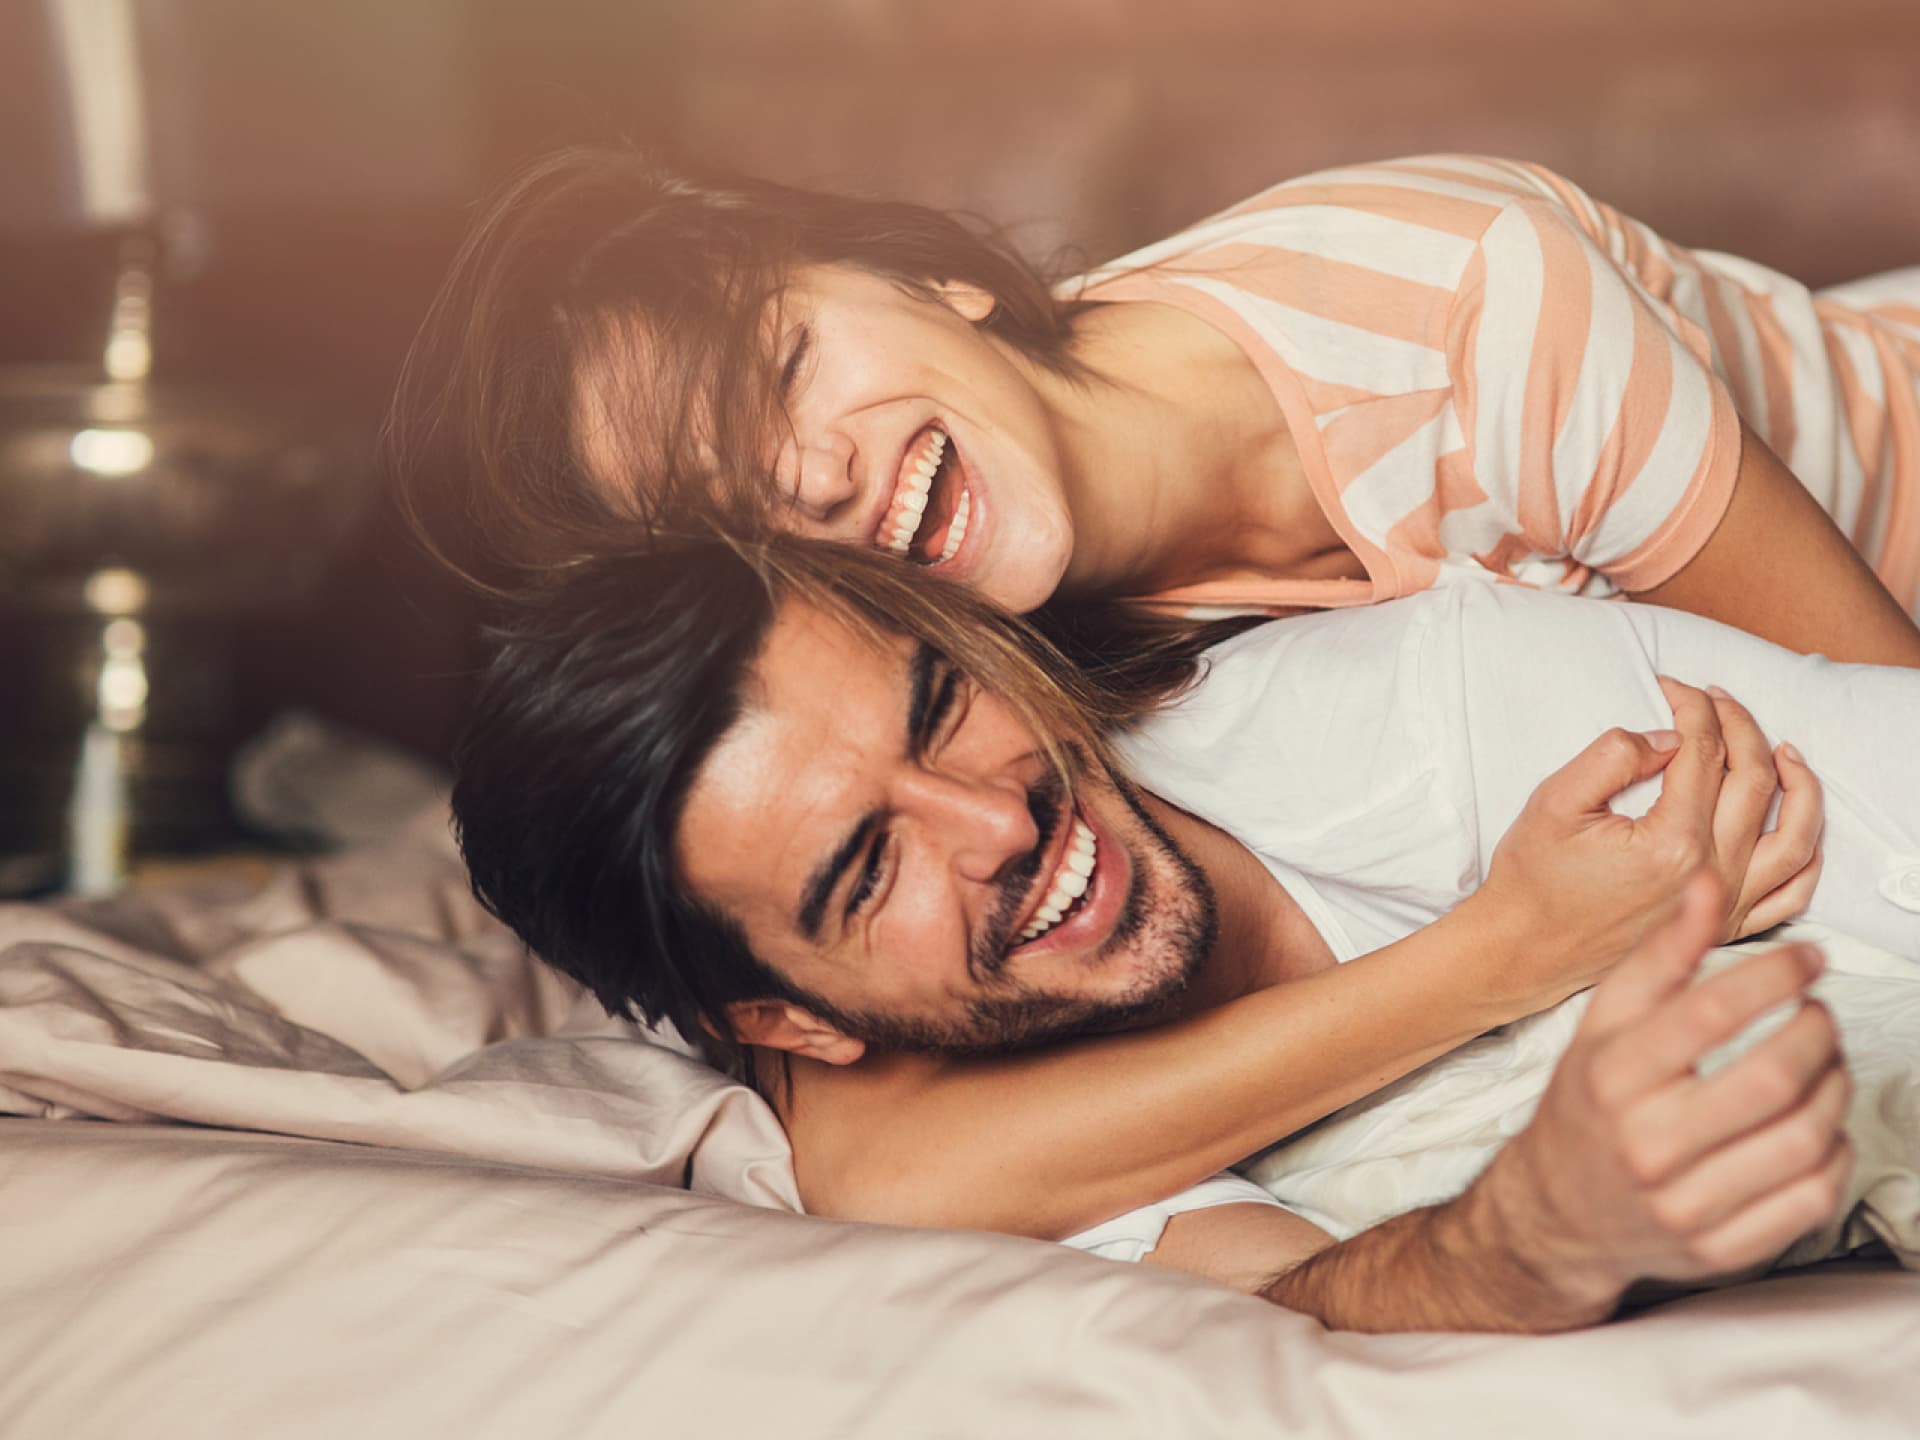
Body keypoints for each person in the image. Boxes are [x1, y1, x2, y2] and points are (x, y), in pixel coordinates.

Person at [448, 532, 1920, 1327]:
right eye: (869, 868)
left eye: (942, 706)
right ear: (788, 1022)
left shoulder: (1434, 713)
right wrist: (1529, 1226)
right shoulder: (970, 1152)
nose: (996, 821)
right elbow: (1293, 1301)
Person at [391, 148, 1920, 667]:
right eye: (726, 516)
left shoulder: (1470, 310)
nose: (810, 482)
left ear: (937, 281)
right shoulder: (963, 662)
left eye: (780, 371)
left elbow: (1884, 751)